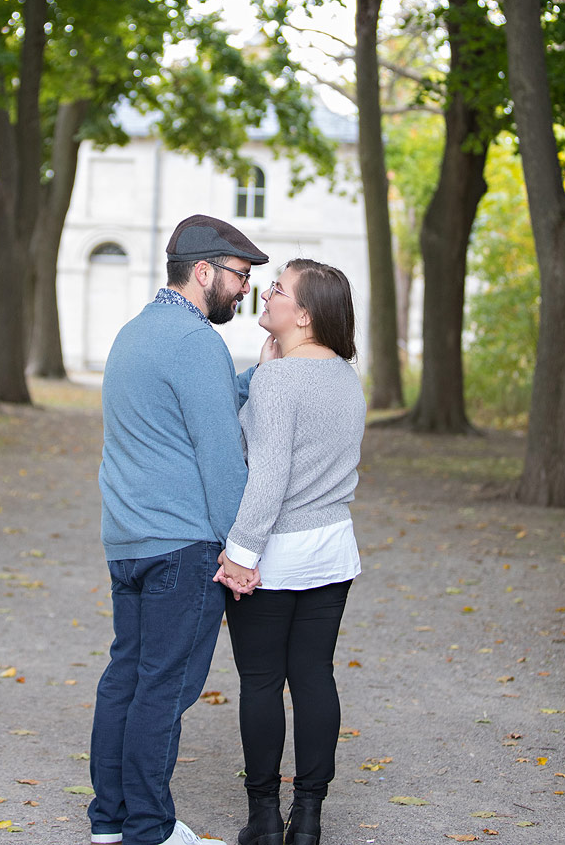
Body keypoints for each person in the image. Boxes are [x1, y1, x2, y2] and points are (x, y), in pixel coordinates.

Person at [87, 214, 269, 845]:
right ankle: (150, 829)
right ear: (204, 271)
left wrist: (257, 376)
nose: (245, 288)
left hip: (129, 543)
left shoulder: (136, 333)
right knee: (163, 690)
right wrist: (243, 549)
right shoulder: (196, 342)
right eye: (239, 275)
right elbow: (221, 459)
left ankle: (110, 822)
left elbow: (185, 409)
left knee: (127, 679)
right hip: (181, 548)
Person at [214, 260, 366, 845]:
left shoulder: (280, 382)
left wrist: (240, 553)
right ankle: (307, 820)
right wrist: (264, 372)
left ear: (303, 314)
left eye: (278, 288)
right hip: (333, 548)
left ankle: (262, 820)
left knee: (260, 682)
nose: (266, 294)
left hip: (274, 552)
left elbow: (267, 475)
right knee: (314, 677)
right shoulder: (345, 376)